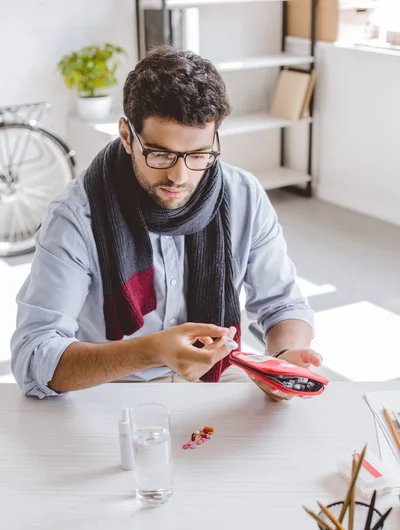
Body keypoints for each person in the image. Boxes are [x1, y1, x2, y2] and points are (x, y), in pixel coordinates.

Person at [11, 46, 321, 400]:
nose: (179, 176)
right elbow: (33, 358)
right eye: (160, 154)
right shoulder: (76, 216)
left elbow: (283, 306)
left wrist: (282, 362)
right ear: (128, 136)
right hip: (113, 387)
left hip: (218, 376)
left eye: (199, 155)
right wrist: (150, 351)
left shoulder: (243, 196)